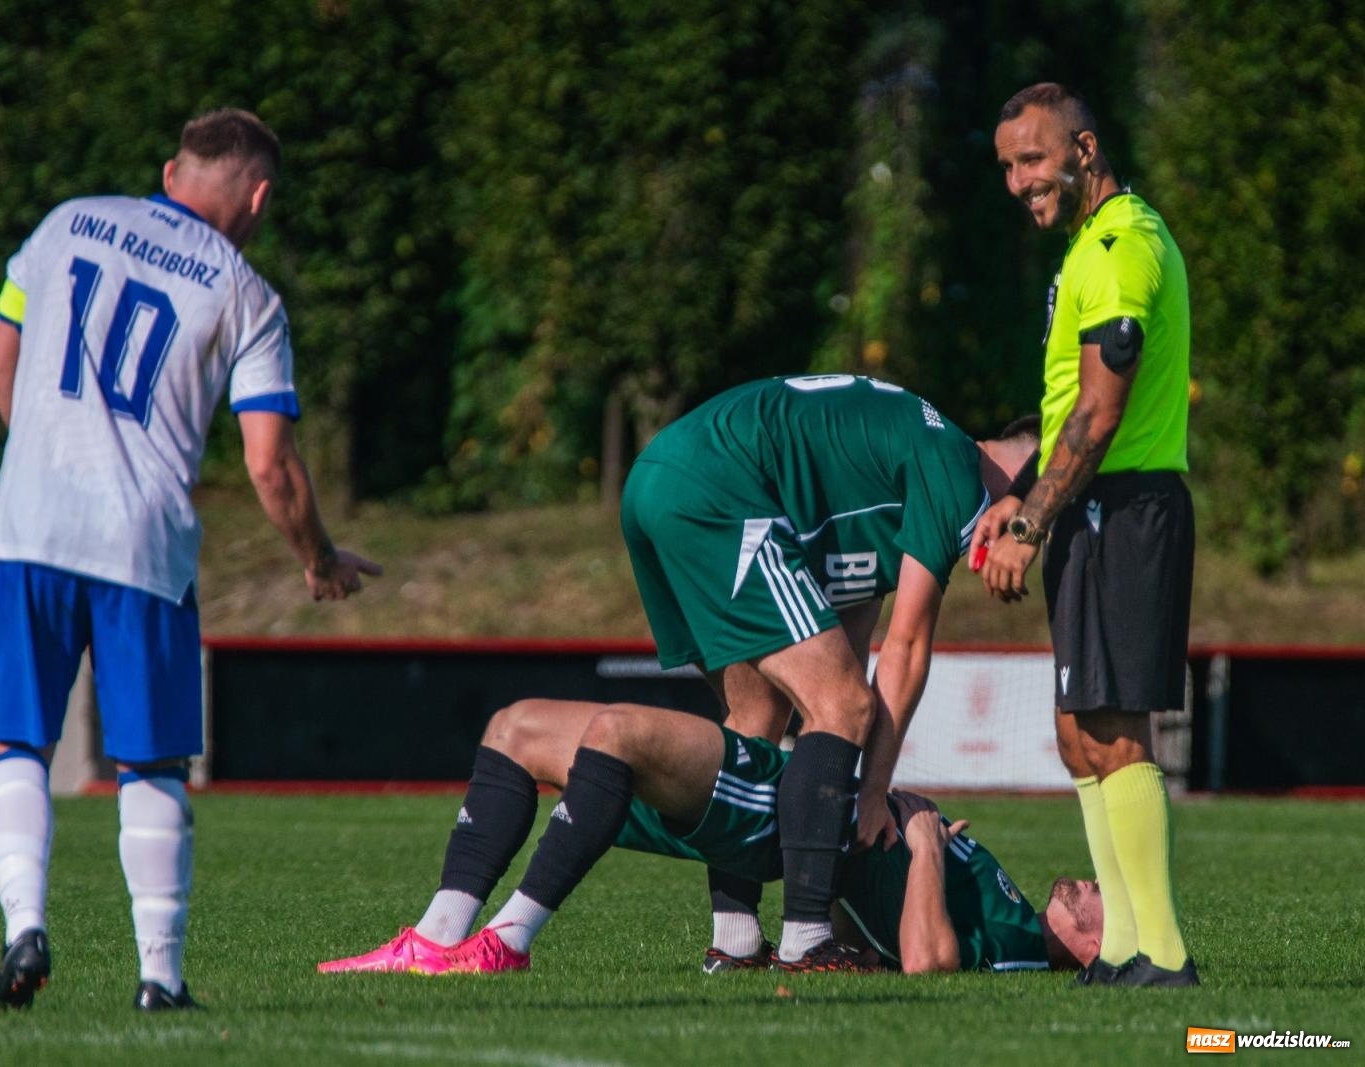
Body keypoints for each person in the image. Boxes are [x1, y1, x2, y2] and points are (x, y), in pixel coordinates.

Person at [0, 108, 379, 1011]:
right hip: (141, 544)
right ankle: (158, 976)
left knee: (17, 742)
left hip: (27, 528)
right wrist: (318, 559)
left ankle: (24, 928)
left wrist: (52, 458)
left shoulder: (64, 223)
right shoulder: (248, 295)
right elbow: (269, 463)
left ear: (170, 172)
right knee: (149, 763)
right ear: (261, 197)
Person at [624, 374, 1035, 971]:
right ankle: (807, 937)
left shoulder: (883, 483)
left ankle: (735, 940)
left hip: (661, 474)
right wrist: (871, 794)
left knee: (757, 718)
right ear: (1027, 475)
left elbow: (855, 638)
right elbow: (908, 647)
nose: (1022, 548)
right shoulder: (955, 469)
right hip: (716, 484)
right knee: (842, 704)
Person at [317, 698, 1105, 975]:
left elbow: (929, 960)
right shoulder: (1018, 910)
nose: (1095, 884)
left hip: (780, 812)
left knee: (620, 730)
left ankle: (506, 940)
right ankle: (436, 935)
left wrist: (926, 846)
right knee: (514, 726)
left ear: (1096, 949)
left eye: (1106, 901)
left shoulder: (1016, 950)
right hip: (802, 799)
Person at [972, 83, 1197, 987]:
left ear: (1085, 149)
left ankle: (1164, 954)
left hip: (1128, 505)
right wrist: (1020, 489)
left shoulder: (1120, 246)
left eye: (1033, 158)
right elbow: (1066, 406)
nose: (1021, 180)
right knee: (1077, 729)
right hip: (1091, 506)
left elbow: (1101, 414)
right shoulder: (1084, 250)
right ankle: (1116, 946)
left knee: (1113, 724)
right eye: (1008, 166)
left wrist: (1030, 520)